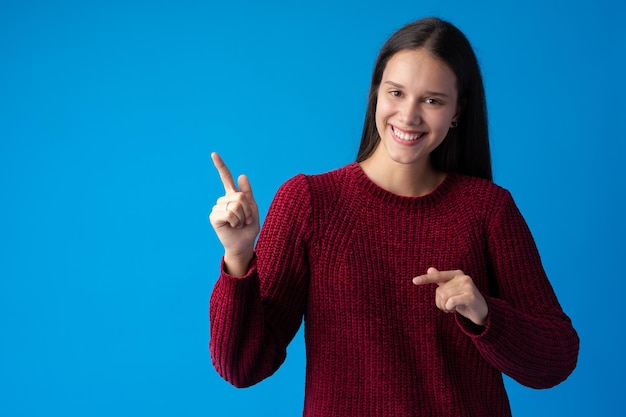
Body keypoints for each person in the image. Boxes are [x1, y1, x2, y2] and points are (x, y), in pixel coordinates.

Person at [208, 17, 579, 416]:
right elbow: (241, 367)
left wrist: (485, 315)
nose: (409, 115)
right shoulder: (309, 202)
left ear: (458, 111)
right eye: (396, 93)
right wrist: (239, 257)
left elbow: (555, 361)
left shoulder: (488, 210)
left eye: (432, 100)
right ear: (376, 95)